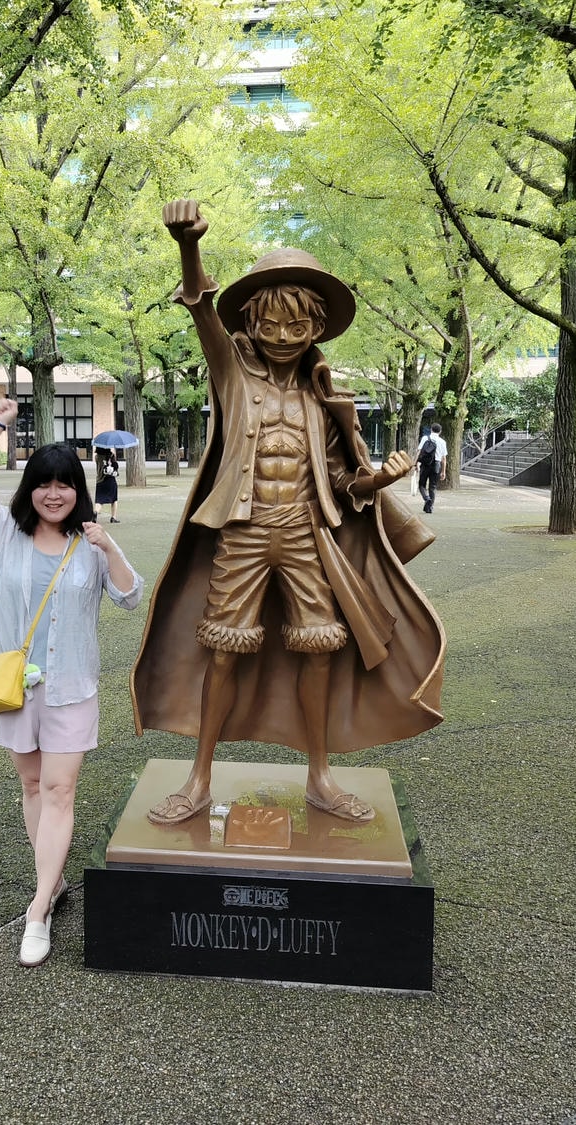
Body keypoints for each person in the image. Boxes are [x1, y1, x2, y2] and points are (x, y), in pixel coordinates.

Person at [132, 199, 445, 827]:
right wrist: (189, 247)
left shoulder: (324, 395)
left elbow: (336, 476)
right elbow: (198, 306)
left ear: (316, 329)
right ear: (252, 322)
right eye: (270, 327)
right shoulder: (231, 371)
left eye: (295, 328)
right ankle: (198, 778)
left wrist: (375, 478)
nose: (281, 338)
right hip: (243, 534)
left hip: (307, 534)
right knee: (223, 649)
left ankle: (321, 777)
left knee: (319, 649)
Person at [0, 397, 143, 967]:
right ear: (30, 488)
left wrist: (111, 549)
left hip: (71, 688)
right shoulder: (1, 530)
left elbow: (131, 598)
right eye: (43, 483)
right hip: (16, 689)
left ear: (77, 490)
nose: (53, 493)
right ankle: (52, 881)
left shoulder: (91, 542)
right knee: (32, 788)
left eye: (64, 484)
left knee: (59, 790)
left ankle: (38, 910)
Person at [417, 423, 447, 513]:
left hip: (425, 464)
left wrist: (416, 463)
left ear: (431, 430)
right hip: (436, 465)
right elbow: (444, 458)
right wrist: (443, 471)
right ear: (440, 431)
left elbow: (419, 451)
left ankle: (426, 498)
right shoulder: (442, 441)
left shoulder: (425, 438)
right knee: (432, 487)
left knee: (421, 484)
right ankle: (430, 508)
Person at [95, 448, 121, 523]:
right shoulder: (111, 455)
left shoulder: (97, 457)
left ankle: (95, 512)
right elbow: (115, 466)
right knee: (114, 499)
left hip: (100, 480)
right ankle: (113, 517)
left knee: (99, 500)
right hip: (110, 480)